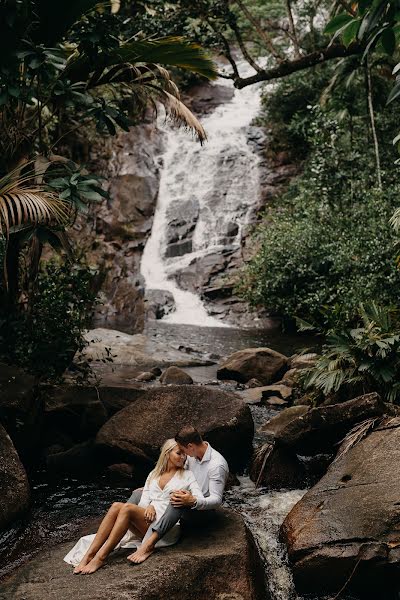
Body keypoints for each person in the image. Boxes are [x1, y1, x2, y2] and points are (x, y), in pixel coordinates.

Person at [64, 438, 203, 574]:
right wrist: (150, 506)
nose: (184, 457)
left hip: (165, 529)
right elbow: (143, 502)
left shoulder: (187, 475)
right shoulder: (154, 474)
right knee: (116, 506)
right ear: (167, 453)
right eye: (179, 453)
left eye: (184, 454)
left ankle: (100, 558)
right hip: (148, 520)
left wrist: (189, 498)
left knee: (127, 508)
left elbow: (199, 497)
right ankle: (89, 555)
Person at [126, 425, 229, 565]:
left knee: (178, 498)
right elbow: (179, 479)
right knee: (138, 493)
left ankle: (149, 544)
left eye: (183, 450)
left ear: (191, 446)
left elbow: (217, 500)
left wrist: (193, 501)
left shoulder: (217, 465)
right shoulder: (192, 456)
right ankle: (125, 528)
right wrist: (150, 489)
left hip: (202, 511)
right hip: (186, 498)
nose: (183, 455)